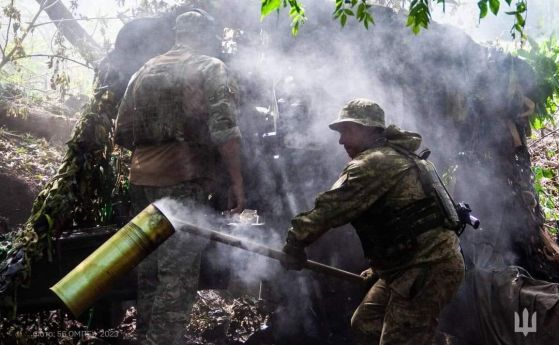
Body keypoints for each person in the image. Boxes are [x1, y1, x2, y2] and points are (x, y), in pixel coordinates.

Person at [281, 98, 465, 345]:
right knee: (366, 325)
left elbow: (328, 211)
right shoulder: (393, 156)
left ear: (368, 129)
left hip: (428, 266)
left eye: (347, 130)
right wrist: (380, 269)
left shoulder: (372, 163)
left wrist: (294, 245)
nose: (341, 140)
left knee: (399, 340)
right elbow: (405, 222)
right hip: (409, 265)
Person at [114, 10, 244, 345]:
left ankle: (147, 338)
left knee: (150, 269)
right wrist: (236, 182)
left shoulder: (143, 71)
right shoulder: (209, 68)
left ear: (177, 34)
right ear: (205, 35)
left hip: (142, 180)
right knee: (177, 273)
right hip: (182, 181)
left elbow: (122, 132)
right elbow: (225, 131)